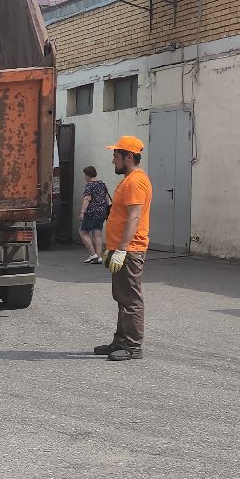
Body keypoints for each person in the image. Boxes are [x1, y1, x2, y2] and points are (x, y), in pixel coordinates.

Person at [94, 136, 152, 362]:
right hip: (123, 249)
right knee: (122, 296)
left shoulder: (136, 182)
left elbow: (134, 217)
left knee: (130, 299)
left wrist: (122, 249)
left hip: (130, 250)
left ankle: (132, 346)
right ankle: (121, 341)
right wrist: (113, 247)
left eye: (115, 156)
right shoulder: (129, 180)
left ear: (129, 156)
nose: (113, 161)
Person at [78, 165, 111, 263]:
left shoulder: (89, 185)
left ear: (87, 175)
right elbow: (107, 198)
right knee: (98, 234)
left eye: (85, 175)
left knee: (83, 232)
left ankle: (93, 255)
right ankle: (99, 257)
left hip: (91, 212)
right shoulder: (102, 184)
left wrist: (82, 212)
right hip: (102, 212)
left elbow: (87, 198)